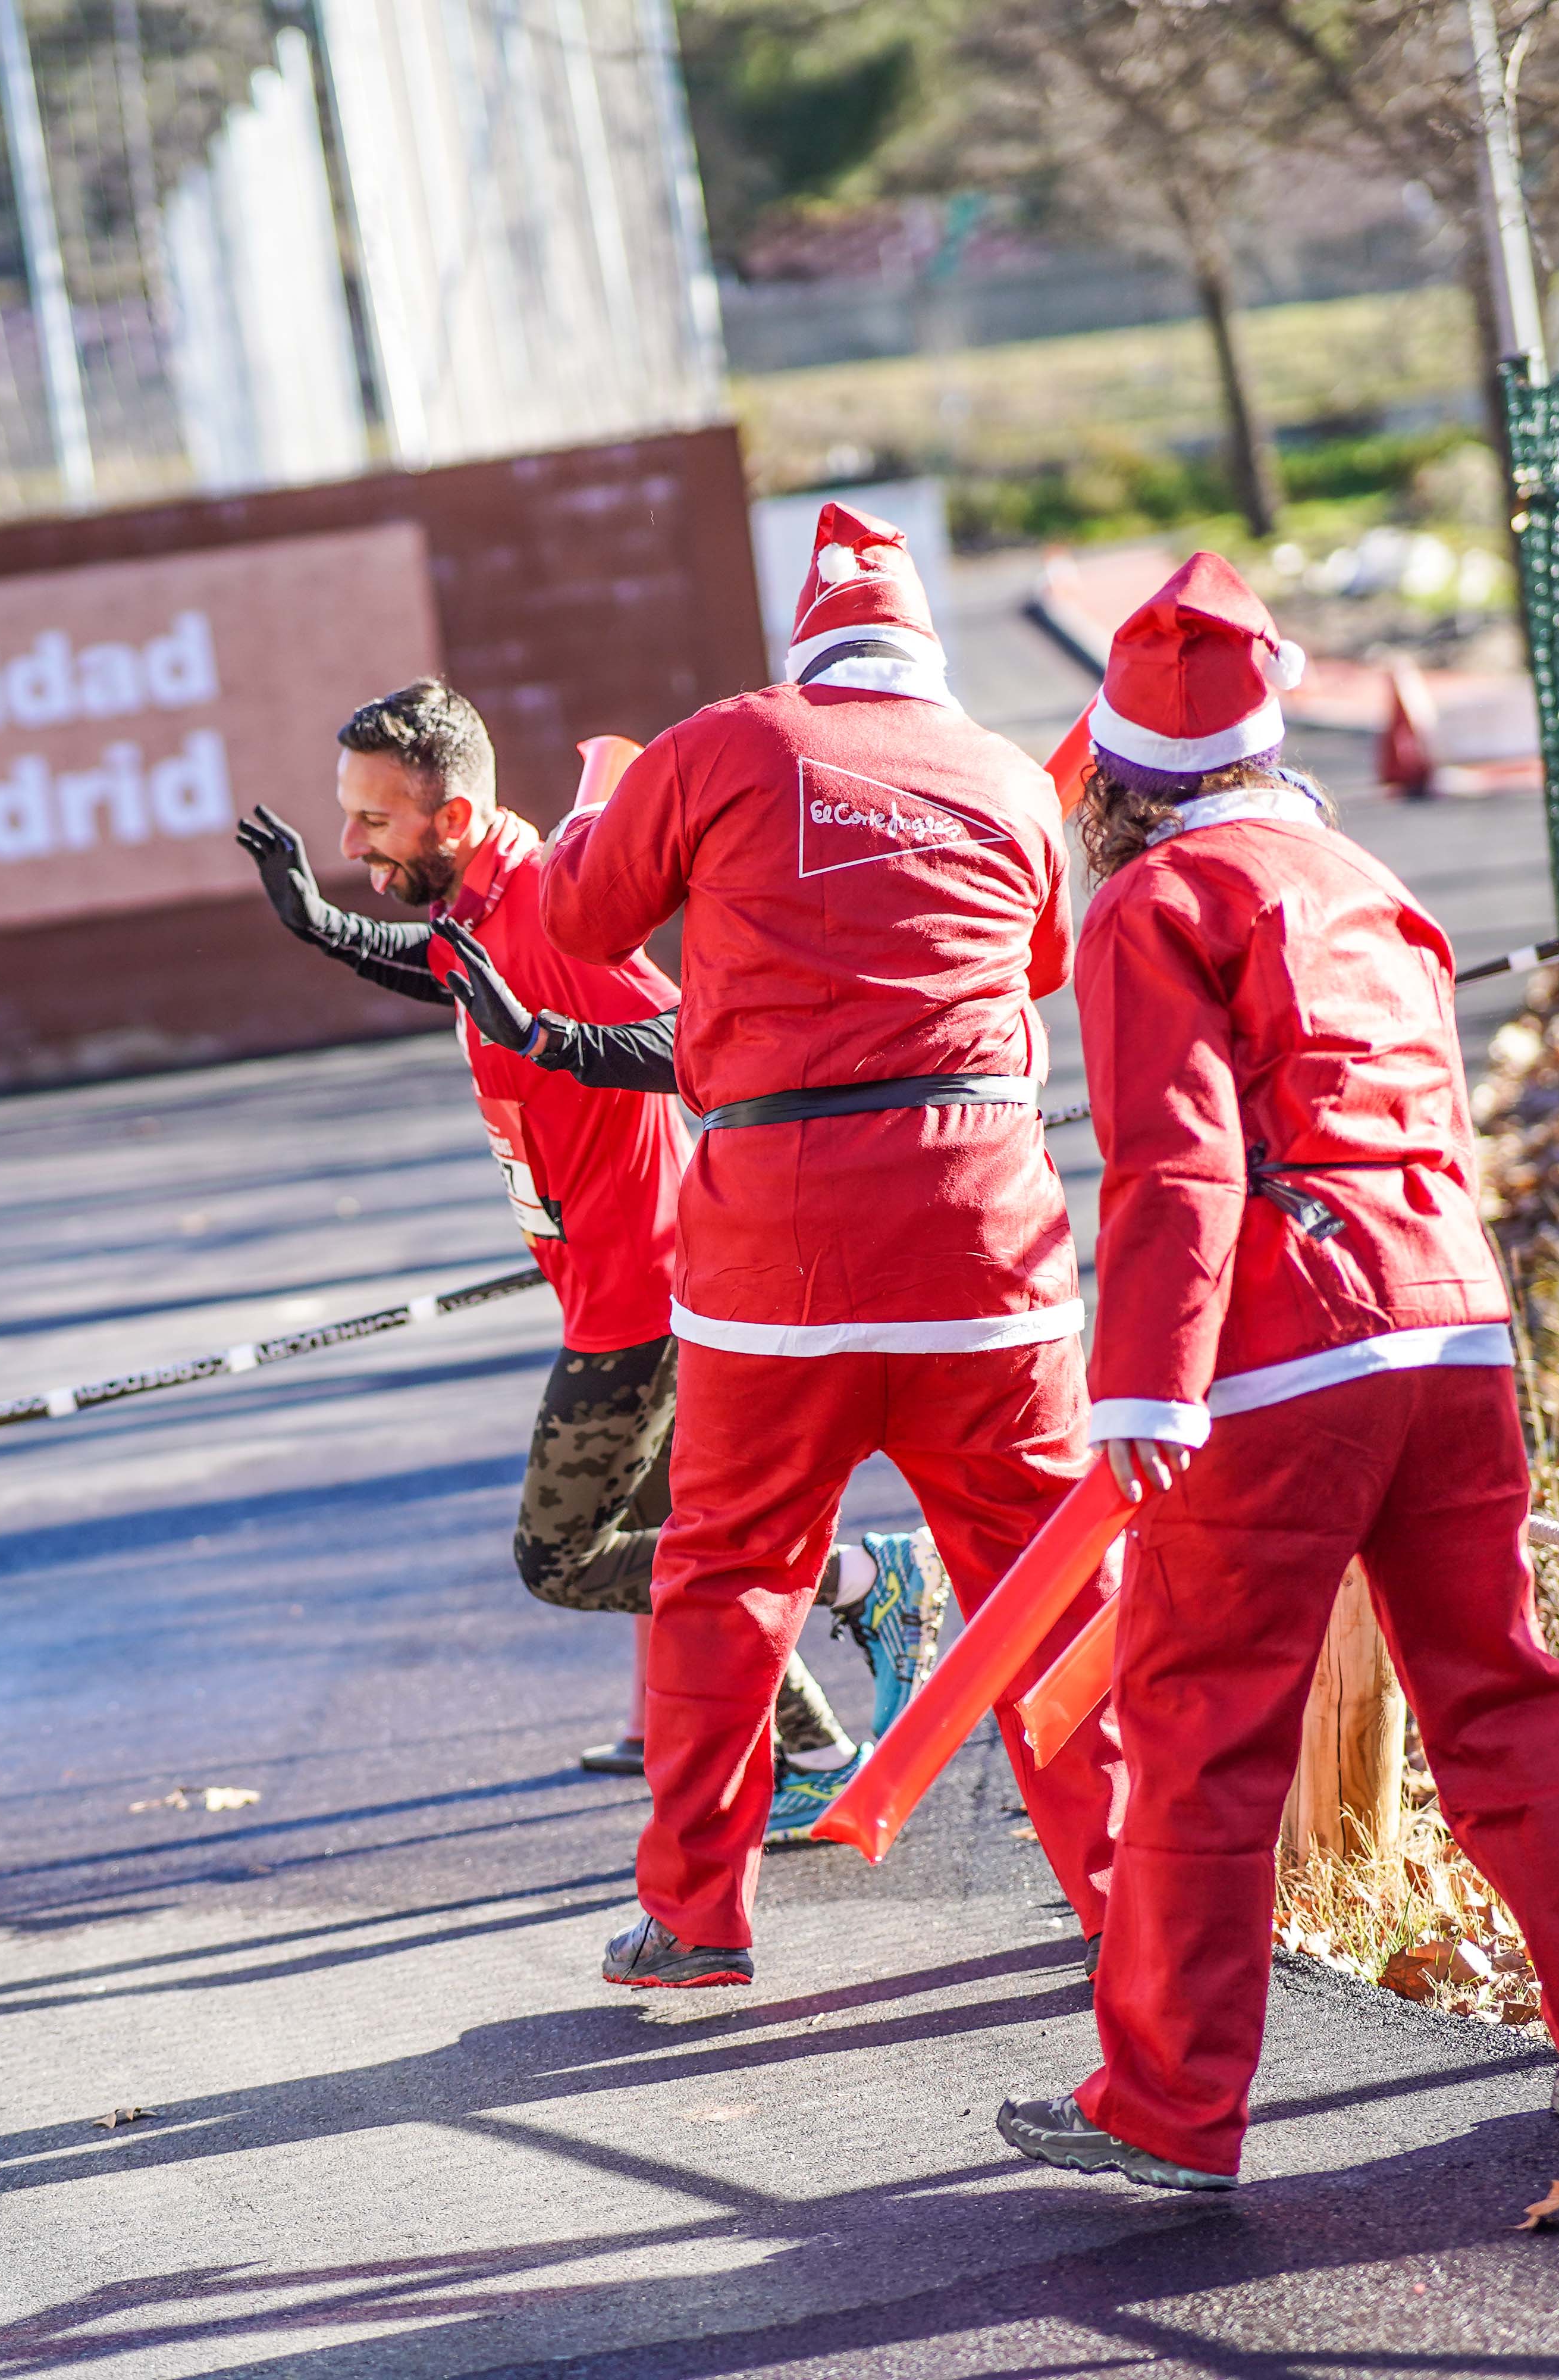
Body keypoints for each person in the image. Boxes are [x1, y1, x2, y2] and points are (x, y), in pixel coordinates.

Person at [996, 553, 1559, 2192]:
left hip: (1276, 1352)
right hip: (1450, 1325)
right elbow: (1437, 1131)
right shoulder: (1372, 885)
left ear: (1113, 774)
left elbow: (1172, 1169)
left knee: (1201, 1724)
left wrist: (1146, 1387)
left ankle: (1169, 2108)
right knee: (1505, 1696)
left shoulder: (1151, 905)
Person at [537, 506, 1118, 1991]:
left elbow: (584, 909)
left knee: (727, 1571)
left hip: (773, 1248)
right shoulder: (1003, 774)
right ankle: (1133, 1896)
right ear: (925, 659)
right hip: (984, 1244)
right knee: (1042, 1583)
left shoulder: (726, 741)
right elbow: (1040, 961)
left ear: (808, 645)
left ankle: (694, 1917)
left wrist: (607, 807)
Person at [234, 678, 949, 1839]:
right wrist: (328, 927)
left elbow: (698, 1034)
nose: (351, 841)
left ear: (454, 819)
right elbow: (453, 967)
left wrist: (554, 1041)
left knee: (564, 1555)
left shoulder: (553, 909)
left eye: (370, 820)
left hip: (646, 1301)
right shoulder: (480, 896)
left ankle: (866, 1580)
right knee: (685, 1559)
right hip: (633, 1288)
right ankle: (815, 1746)